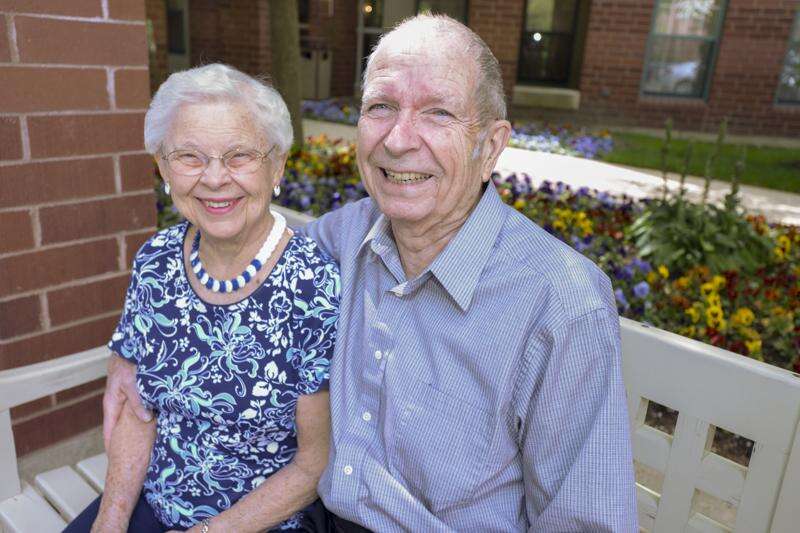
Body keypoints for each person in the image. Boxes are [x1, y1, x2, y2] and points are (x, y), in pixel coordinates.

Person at [105, 14, 637, 531]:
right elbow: (240, 252)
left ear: (491, 146)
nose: (399, 140)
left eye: (438, 113)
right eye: (381, 107)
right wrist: (131, 354)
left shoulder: (561, 305)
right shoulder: (344, 237)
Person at [69, 64, 340, 533]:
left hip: (262, 519)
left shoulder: (313, 286)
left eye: (239, 156)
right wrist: (110, 521)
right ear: (163, 167)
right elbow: (138, 410)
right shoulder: (156, 261)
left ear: (277, 165)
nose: (215, 179)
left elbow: (315, 464)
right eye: (189, 157)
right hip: (156, 498)